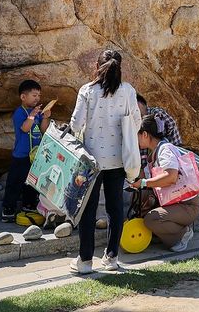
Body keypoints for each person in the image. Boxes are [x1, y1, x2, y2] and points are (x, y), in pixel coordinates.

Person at [69, 50, 140, 275]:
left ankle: (85, 261)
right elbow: (136, 122)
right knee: (115, 208)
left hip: (91, 160)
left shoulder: (87, 90)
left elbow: (76, 124)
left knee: (88, 209)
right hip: (118, 159)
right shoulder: (128, 91)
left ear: (97, 66)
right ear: (120, 67)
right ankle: (111, 258)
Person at [134, 116, 199, 252]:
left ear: (145, 134)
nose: (135, 140)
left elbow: (171, 177)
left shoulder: (165, 150)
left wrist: (144, 183)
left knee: (151, 219)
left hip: (187, 206)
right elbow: (144, 175)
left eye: (136, 135)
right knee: (144, 210)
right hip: (175, 203)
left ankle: (183, 233)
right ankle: (166, 232)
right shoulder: (155, 152)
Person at [1, 79, 47, 223]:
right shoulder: (20, 112)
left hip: (35, 155)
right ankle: (8, 208)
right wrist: (32, 115)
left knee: (32, 182)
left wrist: (46, 117)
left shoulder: (37, 113)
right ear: (23, 97)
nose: (37, 98)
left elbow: (43, 130)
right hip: (21, 155)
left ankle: (29, 204)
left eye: (39, 96)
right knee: (15, 182)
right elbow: (25, 128)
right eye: (34, 95)